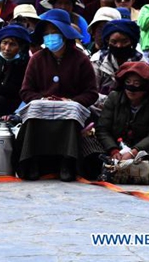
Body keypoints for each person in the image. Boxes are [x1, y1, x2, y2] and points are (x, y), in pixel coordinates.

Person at [17, 9, 98, 181]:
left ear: (65, 34)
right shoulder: (37, 59)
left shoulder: (81, 59)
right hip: (42, 105)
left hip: (71, 106)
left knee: (71, 113)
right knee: (32, 113)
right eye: (46, 33)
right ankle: (32, 162)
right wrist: (41, 100)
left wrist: (71, 101)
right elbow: (25, 91)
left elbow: (91, 93)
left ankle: (67, 162)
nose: (50, 37)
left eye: (54, 33)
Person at [82, 61, 149, 181]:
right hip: (114, 149)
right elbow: (103, 129)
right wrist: (113, 149)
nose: (131, 88)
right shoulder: (114, 97)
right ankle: (109, 168)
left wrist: (134, 152)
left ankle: (146, 172)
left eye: (136, 84)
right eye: (128, 83)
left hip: (143, 151)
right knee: (87, 142)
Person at [91, 19, 149, 115]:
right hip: (103, 109)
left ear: (132, 42)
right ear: (108, 41)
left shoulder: (142, 63)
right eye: (114, 42)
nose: (119, 46)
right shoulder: (97, 61)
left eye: (124, 41)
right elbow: (91, 92)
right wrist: (114, 102)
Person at [0, 24, 31, 117]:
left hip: (15, 105)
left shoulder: (26, 64)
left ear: (21, 47)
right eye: (4, 43)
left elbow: (14, 90)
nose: (7, 49)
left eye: (12, 44)